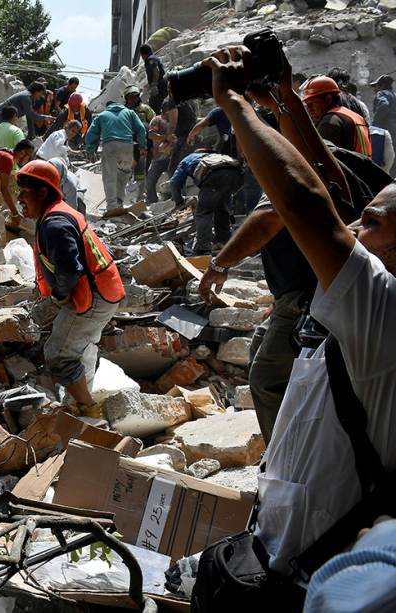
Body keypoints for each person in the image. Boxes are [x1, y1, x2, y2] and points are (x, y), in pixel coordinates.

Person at [192, 45, 396, 609]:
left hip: (301, 568)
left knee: (265, 375)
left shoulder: (382, 307)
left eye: (371, 223)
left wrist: (234, 103)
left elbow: (308, 203)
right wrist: (282, 95)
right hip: (305, 539)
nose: (353, 224)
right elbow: (334, 186)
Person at [17, 160, 124, 417]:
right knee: (79, 345)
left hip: (93, 296)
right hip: (104, 290)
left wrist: (58, 298)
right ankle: (82, 393)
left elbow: (68, 271)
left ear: (43, 192)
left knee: (58, 355)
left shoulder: (54, 224)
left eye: (24, 192)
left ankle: (88, 409)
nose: (19, 198)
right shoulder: (58, 212)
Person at [170, 150, 243, 255]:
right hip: (236, 175)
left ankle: (202, 249)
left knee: (204, 212)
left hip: (215, 177)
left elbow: (174, 183)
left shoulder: (188, 158)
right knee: (222, 210)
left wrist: (179, 202)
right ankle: (224, 243)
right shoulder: (216, 156)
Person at [85, 99, 147, 211]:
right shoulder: (129, 112)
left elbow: (91, 134)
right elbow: (141, 128)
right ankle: (119, 201)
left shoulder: (102, 115)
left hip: (110, 145)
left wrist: (91, 150)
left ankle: (112, 207)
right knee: (123, 174)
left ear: (108, 107)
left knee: (110, 177)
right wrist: (142, 145)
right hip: (127, 146)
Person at [301, 76, 371, 156]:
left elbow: (323, 158)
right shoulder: (357, 117)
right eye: (307, 105)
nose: (310, 109)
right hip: (363, 167)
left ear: (328, 99)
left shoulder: (330, 121)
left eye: (313, 103)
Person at [123, 85, 154, 202]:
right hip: (127, 146)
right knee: (125, 172)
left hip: (143, 146)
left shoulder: (146, 110)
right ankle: (123, 198)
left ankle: (140, 198)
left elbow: (153, 124)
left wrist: (151, 145)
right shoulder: (123, 111)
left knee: (141, 172)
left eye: (135, 97)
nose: (133, 99)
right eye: (130, 97)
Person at [145, 111, 176, 204]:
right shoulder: (157, 120)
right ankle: (153, 202)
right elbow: (151, 135)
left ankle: (178, 201)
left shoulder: (176, 120)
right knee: (150, 181)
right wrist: (166, 138)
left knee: (176, 180)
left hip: (173, 157)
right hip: (159, 158)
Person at [164, 97, 199, 172]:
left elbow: (173, 124)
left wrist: (166, 141)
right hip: (194, 136)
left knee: (174, 169)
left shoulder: (172, 100)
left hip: (184, 138)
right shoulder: (190, 100)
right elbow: (195, 118)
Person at [371, 74, 396, 168]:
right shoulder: (394, 95)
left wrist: (374, 125)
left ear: (382, 86)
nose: (374, 89)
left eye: (375, 86)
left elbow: (383, 105)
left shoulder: (381, 94)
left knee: (381, 157)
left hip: (386, 130)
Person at [140, 44, 166, 112]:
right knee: (155, 104)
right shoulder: (152, 58)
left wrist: (154, 85)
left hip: (160, 86)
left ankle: (157, 119)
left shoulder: (150, 59)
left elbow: (156, 70)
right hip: (160, 85)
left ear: (142, 54)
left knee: (154, 105)